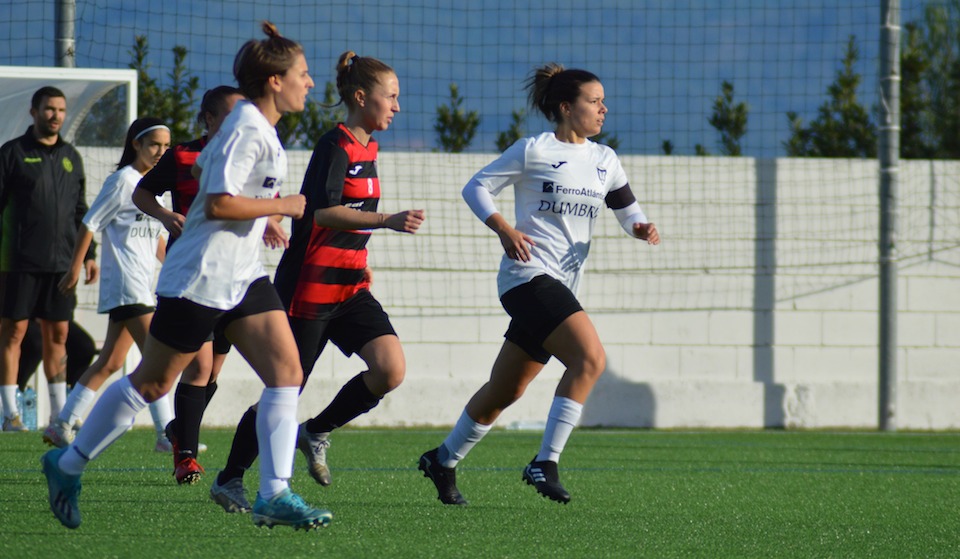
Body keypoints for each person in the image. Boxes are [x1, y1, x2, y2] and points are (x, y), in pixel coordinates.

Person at [41, 21, 331, 531]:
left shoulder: (257, 127)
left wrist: (265, 219)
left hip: (242, 276)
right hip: (200, 275)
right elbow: (217, 202)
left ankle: (274, 493)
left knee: (287, 374)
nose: (310, 83)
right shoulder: (245, 126)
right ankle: (66, 464)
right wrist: (280, 205)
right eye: (302, 74)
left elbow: (216, 187)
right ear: (273, 82)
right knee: (152, 384)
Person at [418, 63, 660, 506]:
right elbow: (476, 188)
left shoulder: (605, 160)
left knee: (506, 390)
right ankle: (544, 461)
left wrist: (641, 227)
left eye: (603, 100)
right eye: (594, 101)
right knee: (590, 359)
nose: (603, 108)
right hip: (526, 277)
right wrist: (504, 230)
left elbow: (628, 211)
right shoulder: (534, 149)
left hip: (562, 285)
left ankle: (443, 459)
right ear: (566, 108)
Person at [211, 51, 423, 511]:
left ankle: (318, 430)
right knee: (285, 388)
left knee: (390, 369)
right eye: (391, 97)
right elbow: (319, 210)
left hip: (350, 287)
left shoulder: (370, 147)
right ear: (362, 98)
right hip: (309, 290)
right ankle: (229, 478)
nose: (397, 107)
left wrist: (364, 246)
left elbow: (351, 218)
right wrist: (386, 220)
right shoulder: (336, 144)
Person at [133, 85, 245, 485]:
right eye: (231, 115)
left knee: (211, 373)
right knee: (195, 368)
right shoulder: (183, 155)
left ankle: (179, 431)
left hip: (235, 277)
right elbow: (141, 192)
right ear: (210, 118)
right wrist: (165, 215)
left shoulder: (246, 154)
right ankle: (186, 456)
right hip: (194, 277)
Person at [41, 118, 172, 452]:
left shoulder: (154, 187)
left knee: (110, 362)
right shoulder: (122, 181)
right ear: (136, 145)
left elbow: (156, 238)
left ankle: (62, 424)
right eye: (154, 144)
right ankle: (168, 434)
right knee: (156, 357)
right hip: (127, 285)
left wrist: (174, 267)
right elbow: (89, 223)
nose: (160, 151)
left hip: (144, 285)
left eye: (166, 146)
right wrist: (74, 269)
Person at [0, 86, 99, 431]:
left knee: (58, 337)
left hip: (61, 266)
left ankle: (58, 417)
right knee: (12, 333)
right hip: (18, 263)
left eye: (60, 110)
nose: (55, 115)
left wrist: (90, 254)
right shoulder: (11, 154)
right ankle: (9, 414)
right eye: (49, 109)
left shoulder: (71, 156)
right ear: (34, 112)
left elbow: (81, 211)